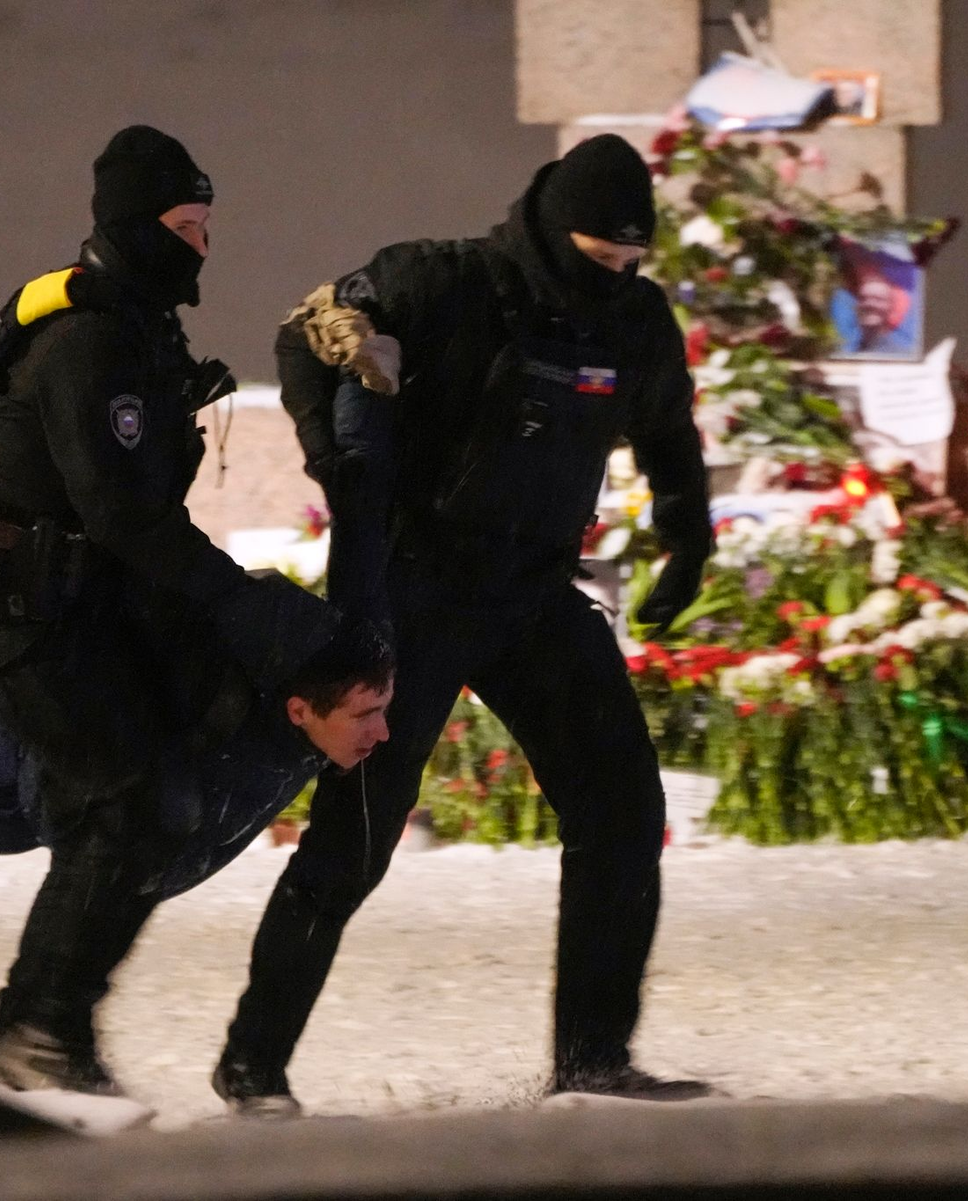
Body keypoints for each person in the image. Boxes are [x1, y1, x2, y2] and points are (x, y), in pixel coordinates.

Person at [214, 134, 715, 1114]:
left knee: (622, 810)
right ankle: (253, 1063)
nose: (611, 276)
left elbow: (667, 428)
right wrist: (342, 465)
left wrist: (687, 537)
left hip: (531, 595)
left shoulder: (635, 321)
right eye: (597, 256)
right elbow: (309, 333)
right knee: (357, 833)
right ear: (551, 229)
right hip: (419, 590)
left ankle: (594, 1061)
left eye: (629, 261)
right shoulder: (443, 279)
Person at [0, 125, 377, 1093]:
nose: (204, 244)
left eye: (208, 222)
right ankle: (32, 1037)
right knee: (126, 796)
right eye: (187, 224)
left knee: (166, 791)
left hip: (86, 600)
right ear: (139, 229)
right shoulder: (88, 340)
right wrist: (239, 604)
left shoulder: (140, 332)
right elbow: (121, 512)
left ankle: (54, 1031)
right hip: (18, 611)